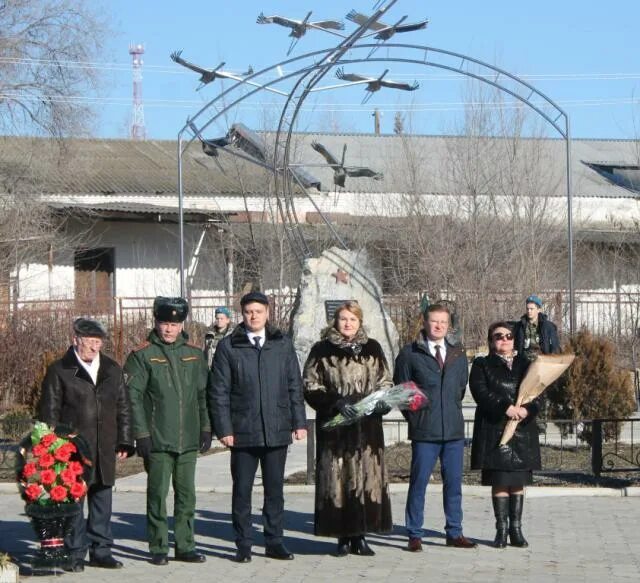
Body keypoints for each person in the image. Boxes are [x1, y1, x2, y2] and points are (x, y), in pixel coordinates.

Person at [209, 291, 307, 563]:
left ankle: (274, 541)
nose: (253, 316)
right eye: (249, 311)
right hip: (242, 432)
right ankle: (243, 543)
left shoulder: (282, 344)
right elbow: (218, 392)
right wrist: (224, 429)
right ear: (242, 314)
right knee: (242, 491)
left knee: (275, 490)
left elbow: (293, 385)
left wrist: (298, 422)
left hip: (276, 429)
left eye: (258, 311)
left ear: (267, 313)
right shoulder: (230, 347)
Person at [38, 318, 134, 572]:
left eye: (98, 342)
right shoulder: (60, 370)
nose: (94, 347)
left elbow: (123, 407)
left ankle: (101, 550)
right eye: (89, 342)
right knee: (73, 503)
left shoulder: (112, 369)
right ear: (75, 341)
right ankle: (75, 552)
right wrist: (53, 446)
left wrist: (125, 439)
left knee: (102, 499)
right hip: (73, 450)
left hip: (104, 447)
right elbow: (49, 412)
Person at [124, 297, 212, 566]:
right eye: (164, 323)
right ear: (156, 322)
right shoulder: (142, 355)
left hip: (188, 440)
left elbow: (202, 395)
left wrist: (206, 427)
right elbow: (133, 398)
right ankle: (158, 546)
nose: (169, 329)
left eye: (174, 324)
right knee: (157, 495)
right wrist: (141, 434)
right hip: (158, 438)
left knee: (187, 496)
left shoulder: (195, 354)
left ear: (181, 324)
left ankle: (185, 545)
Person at [303, 301, 393, 557]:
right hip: (336, 428)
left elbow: (385, 380)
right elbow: (310, 385)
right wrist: (335, 403)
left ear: (360, 322)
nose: (347, 324)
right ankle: (342, 536)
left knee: (366, 478)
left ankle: (361, 535)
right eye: (343, 319)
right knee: (338, 480)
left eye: (352, 319)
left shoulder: (373, 348)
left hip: (367, 428)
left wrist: (380, 403)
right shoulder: (321, 350)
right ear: (335, 321)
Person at [394, 303, 476, 552]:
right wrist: (418, 419)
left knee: (454, 484)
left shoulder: (457, 353)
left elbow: (460, 389)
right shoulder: (410, 354)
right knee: (418, 483)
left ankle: (454, 532)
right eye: (434, 321)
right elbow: (403, 392)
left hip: (452, 431)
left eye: (443, 321)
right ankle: (414, 533)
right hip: (425, 432)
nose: (439, 325)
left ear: (448, 325)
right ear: (425, 322)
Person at [469, 321, 541, 548]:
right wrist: (505, 407)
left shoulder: (526, 363)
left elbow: (538, 394)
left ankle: (516, 530)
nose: (505, 339)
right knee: (500, 481)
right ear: (491, 340)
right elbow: (480, 392)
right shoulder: (482, 364)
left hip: (521, 431)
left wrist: (526, 410)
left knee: (518, 481)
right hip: (495, 430)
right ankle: (501, 530)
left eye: (509, 335)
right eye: (499, 336)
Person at [513, 294, 560, 359]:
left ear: (538, 310)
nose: (529, 311)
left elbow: (555, 347)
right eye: (527, 309)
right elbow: (514, 346)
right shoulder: (519, 326)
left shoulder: (549, 327)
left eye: (531, 309)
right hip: (523, 363)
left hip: (542, 362)